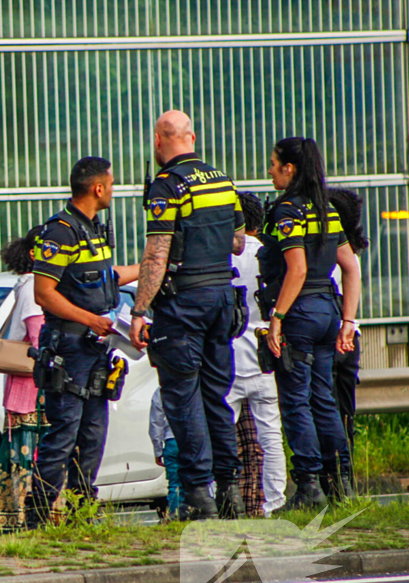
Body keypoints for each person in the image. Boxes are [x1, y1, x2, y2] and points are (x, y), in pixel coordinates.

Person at [129, 110, 247, 521]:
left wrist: (139, 310)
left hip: (183, 304)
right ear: (192, 137)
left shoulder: (167, 185)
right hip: (222, 300)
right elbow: (236, 242)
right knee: (216, 396)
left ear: (159, 141)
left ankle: (199, 498)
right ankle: (231, 491)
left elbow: (157, 253)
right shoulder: (222, 180)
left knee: (183, 398)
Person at [28, 156, 138, 526]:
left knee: (92, 436)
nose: (113, 189)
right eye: (112, 183)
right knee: (63, 435)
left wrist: (153, 265)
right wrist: (89, 318)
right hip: (70, 347)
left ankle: (80, 516)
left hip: (97, 349)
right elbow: (43, 292)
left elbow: (106, 278)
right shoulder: (60, 231)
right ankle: (39, 518)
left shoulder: (95, 230)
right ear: (98, 188)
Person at [259, 138, 360, 509]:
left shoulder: (287, 211)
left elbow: (296, 269)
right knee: (324, 400)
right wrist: (348, 320)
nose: (269, 170)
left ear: (290, 169)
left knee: (296, 403)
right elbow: (351, 266)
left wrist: (277, 319)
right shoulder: (327, 209)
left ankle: (309, 488)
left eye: (273, 163)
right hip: (328, 313)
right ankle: (341, 484)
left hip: (299, 313)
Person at [227, 192, 286, 515]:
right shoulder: (268, 254)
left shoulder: (223, 254)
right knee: (270, 433)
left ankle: (222, 498)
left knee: (223, 436)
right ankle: (274, 502)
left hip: (229, 358)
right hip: (265, 354)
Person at [0, 227, 46, 533]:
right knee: (29, 458)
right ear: (35, 254)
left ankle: (17, 520)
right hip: (32, 392)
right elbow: (37, 338)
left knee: (19, 459)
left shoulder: (26, 285)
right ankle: (27, 521)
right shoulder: (34, 287)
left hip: (21, 391)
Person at [327, 188, 368, 494]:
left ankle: (334, 480)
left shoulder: (328, 252)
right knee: (345, 411)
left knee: (325, 409)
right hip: (350, 337)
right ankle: (346, 479)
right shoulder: (351, 251)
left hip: (331, 337)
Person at [148, 387, 181, 518]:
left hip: (171, 440)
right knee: (196, 481)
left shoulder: (160, 392)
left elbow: (156, 423)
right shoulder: (194, 385)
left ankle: (175, 516)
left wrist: (157, 450)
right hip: (193, 441)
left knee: (174, 484)